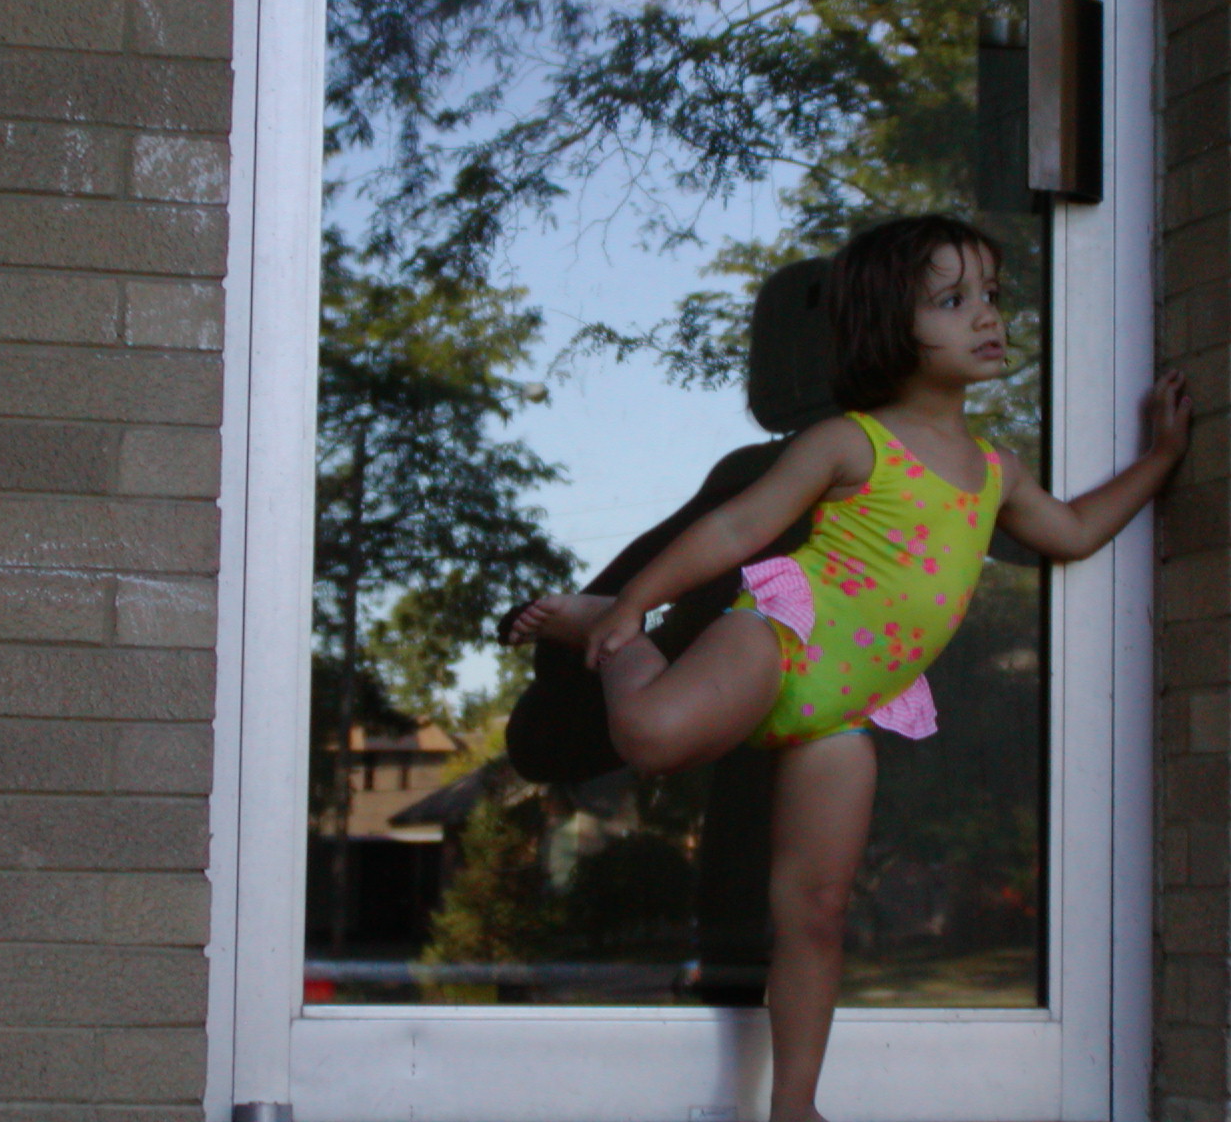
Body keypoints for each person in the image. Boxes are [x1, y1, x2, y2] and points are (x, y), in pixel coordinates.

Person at [506, 214, 1192, 1122]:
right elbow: (735, 528)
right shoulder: (850, 441)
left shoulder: (997, 473)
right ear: (888, 328)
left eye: (990, 295)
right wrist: (632, 604)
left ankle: (795, 1106)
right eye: (953, 300)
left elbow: (1072, 531)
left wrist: (1161, 458)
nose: (987, 315)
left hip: (848, 706)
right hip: (783, 636)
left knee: (818, 910)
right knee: (652, 736)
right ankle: (607, 631)